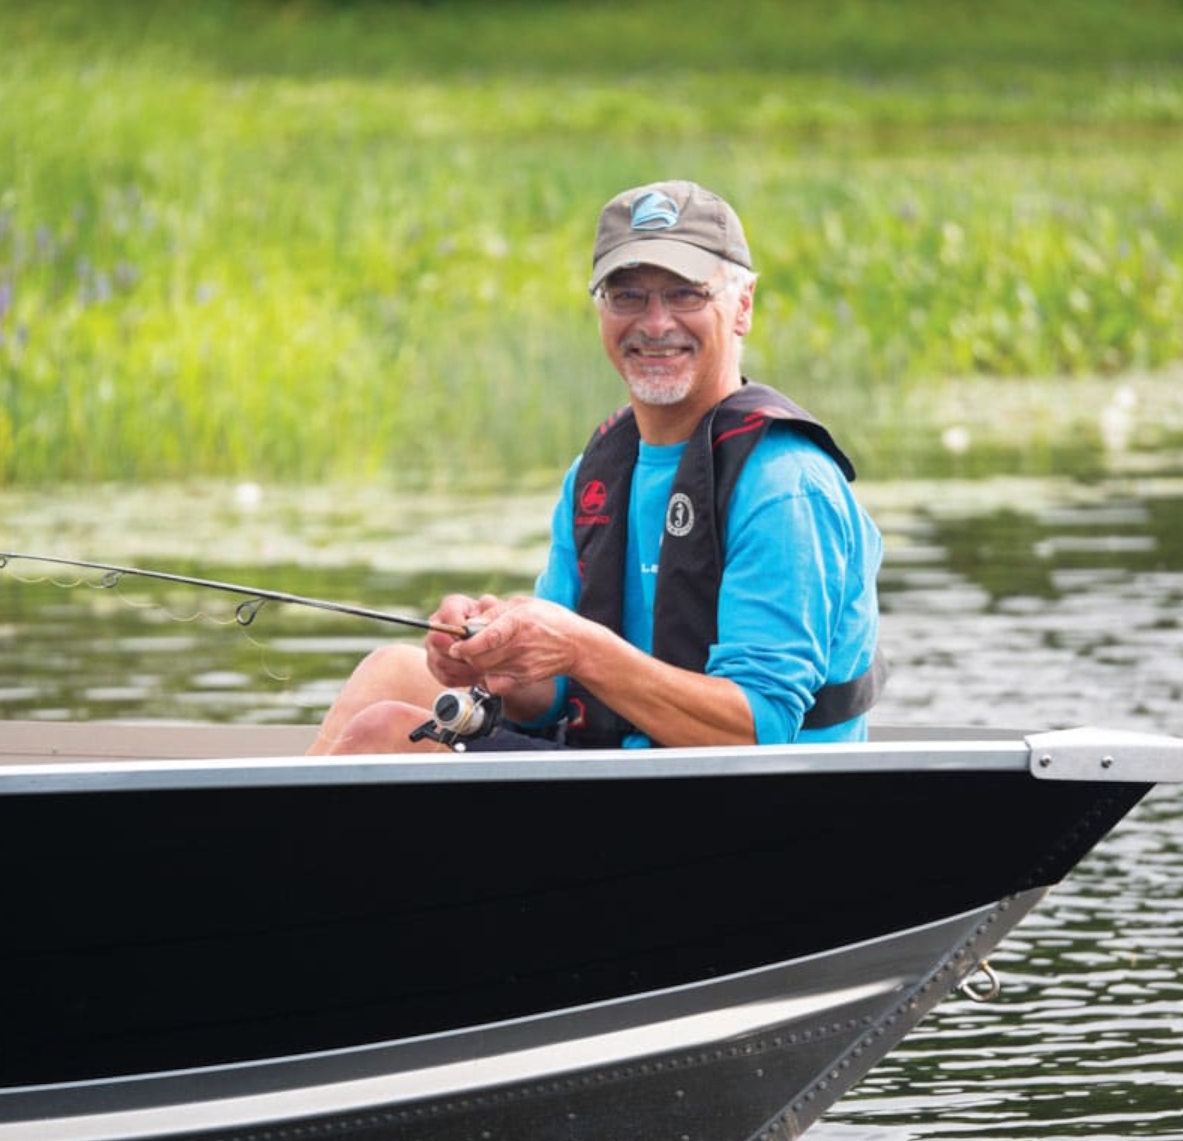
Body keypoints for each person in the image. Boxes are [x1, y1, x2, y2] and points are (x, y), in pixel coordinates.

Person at [308, 179, 884, 755]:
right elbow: (554, 694)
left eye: (685, 294)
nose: (655, 323)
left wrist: (581, 648)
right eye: (627, 296)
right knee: (390, 672)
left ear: (743, 306)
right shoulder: (599, 471)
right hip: (618, 769)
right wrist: (494, 660)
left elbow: (755, 732)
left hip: (747, 789)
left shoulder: (785, 485)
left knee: (383, 732)